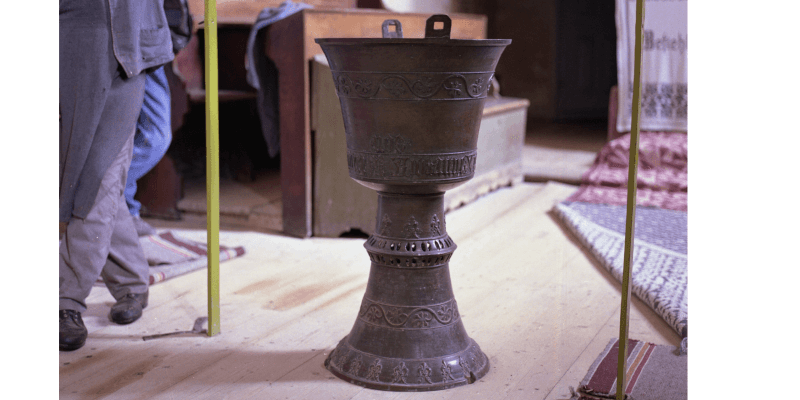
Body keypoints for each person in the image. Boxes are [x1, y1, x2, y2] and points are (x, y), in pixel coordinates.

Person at [59, 0, 175, 351]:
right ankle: (131, 281)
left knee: (101, 172)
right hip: (72, 41)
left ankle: (67, 300)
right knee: (90, 178)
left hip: (133, 45)